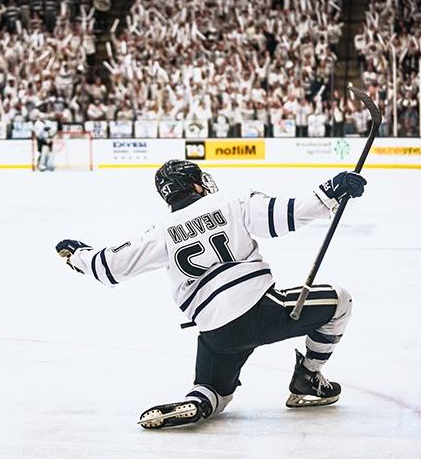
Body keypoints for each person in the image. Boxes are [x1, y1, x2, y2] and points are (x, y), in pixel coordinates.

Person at [56, 160, 366, 429]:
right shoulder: (231, 200)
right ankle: (308, 378)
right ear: (195, 184)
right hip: (263, 311)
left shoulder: (161, 230)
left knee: (215, 392)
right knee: (340, 300)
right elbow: (287, 215)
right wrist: (332, 189)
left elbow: (112, 266)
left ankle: (200, 401)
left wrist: (78, 255)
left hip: (215, 333)